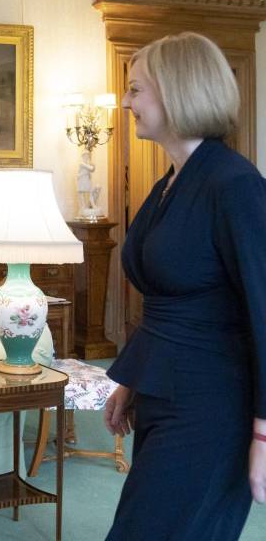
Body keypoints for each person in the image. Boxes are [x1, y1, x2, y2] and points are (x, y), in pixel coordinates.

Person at [103, 32, 266, 540]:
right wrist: (134, 378)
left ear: (177, 91)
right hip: (165, 391)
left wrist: (264, 434)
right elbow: (170, 300)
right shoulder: (169, 183)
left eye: (136, 90)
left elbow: (264, 313)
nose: (126, 102)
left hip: (212, 407)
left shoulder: (234, 184)